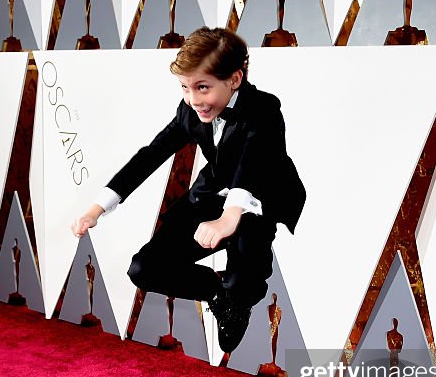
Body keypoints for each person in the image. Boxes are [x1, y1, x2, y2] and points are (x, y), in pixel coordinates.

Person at [70, 27, 305, 353]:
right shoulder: (190, 111)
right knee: (144, 268)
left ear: (234, 80)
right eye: (185, 88)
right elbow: (150, 155)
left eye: (203, 88)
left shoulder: (264, 108)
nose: (194, 100)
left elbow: (250, 165)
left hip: (261, 200)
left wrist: (229, 217)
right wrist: (98, 207)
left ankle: (237, 295)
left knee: (244, 285)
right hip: (211, 195)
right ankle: (220, 291)